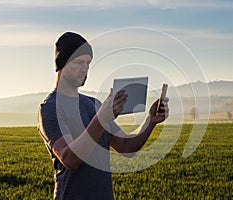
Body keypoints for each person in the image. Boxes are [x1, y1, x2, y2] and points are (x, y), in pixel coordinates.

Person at [37, 31, 169, 200]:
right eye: (78, 62)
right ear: (61, 64)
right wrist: (101, 119)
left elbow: (126, 147)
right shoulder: (50, 108)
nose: (84, 69)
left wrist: (151, 121)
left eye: (87, 63)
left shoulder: (93, 104)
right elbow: (69, 159)